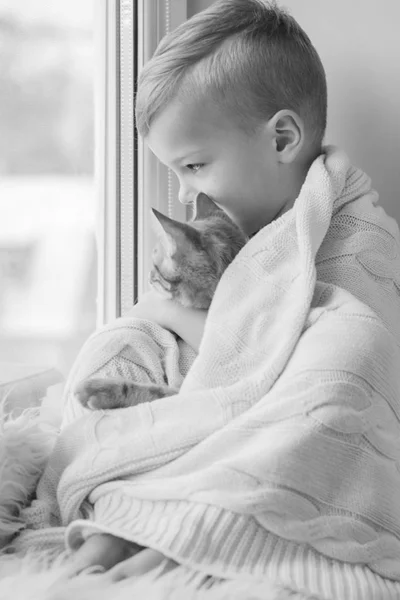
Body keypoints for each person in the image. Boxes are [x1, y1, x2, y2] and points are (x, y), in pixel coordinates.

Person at [64, 0, 400, 593]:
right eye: (177, 174)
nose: (190, 196)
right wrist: (155, 322)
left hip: (286, 419)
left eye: (195, 166)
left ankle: (202, 517)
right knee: (121, 340)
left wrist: (168, 311)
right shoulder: (242, 236)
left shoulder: (358, 239)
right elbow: (231, 346)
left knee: (351, 344)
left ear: (283, 139)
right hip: (209, 404)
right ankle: (133, 486)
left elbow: (305, 363)